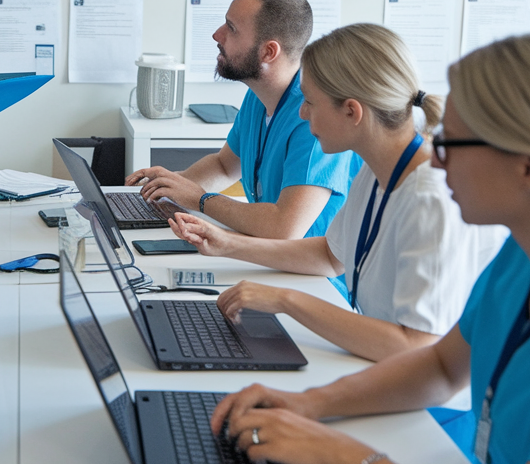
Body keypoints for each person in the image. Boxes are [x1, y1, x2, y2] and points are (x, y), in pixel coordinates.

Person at [209, 33, 530, 464]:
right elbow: (440, 366)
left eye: (452, 142)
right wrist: (310, 404)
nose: (438, 155)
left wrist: (343, 455)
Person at [170, 24, 506, 361]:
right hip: (380, 366)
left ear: (351, 111)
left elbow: (414, 345)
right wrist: (226, 244)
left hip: (429, 406)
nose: (302, 113)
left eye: (311, 103)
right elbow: (331, 257)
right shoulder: (376, 168)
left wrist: (286, 300)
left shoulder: (429, 200)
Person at [126, 0, 356, 240]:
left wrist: (200, 199)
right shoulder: (259, 97)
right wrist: (170, 187)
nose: (217, 35)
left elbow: (285, 228)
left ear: (269, 52)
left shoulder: (314, 115)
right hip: (271, 258)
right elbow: (225, 166)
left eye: (231, 28)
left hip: (313, 276)